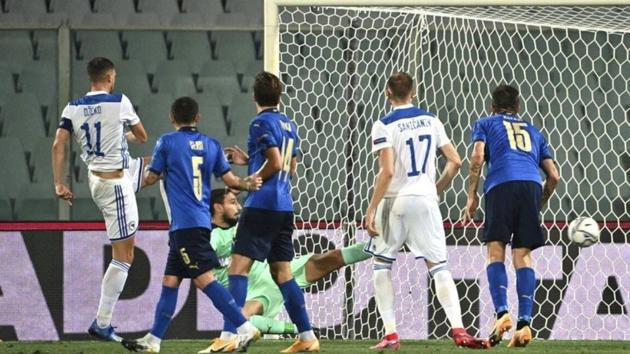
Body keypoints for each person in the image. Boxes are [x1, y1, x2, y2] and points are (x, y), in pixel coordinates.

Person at [122, 97, 262, 353]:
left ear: (171, 118)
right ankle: (153, 340)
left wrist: (127, 181)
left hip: (185, 224)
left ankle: (243, 327)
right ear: (197, 118)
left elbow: (152, 177)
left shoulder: (166, 142)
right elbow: (230, 179)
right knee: (170, 280)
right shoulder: (212, 145)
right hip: (195, 223)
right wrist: (248, 183)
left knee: (204, 279)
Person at [364, 72, 489, 350]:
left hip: (394, 200)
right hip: (425, 199)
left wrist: (371, 209)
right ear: (415, 92)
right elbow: (455, 161)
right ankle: (459, 330)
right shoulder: (432, 120)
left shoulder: (383, 124)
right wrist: (435, 189)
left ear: (387, 93)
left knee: (382, 265)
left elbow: (386, 172)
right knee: (439, 267)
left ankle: (391, 334)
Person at [217, 72, 319, 353]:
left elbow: (274, 162)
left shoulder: (259, 122)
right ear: (280, 96)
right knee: (283, 273)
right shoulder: (289, 124)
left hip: (262, 205)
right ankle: (307, 337)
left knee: (237, 268)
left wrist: (250, 180)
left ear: (254, 97)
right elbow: (290, 166)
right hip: (284, 206)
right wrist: (250, 162)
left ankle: (229, 335)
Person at [52, 57, 148, 341]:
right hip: (114, 183)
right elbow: (142, 135)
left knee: (158, 166)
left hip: (102, 175)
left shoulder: (73, 107)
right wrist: (122, 132)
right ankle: (102, 322)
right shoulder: (119, 101)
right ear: (109, 77)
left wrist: (59, 183)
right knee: (125, 255)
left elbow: (59, 143)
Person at [200, 188, 370, 349]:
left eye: (237, 202)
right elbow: (202, 258)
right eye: (232, 203)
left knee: (328, 259)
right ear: (218, 207)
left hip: (273, 272)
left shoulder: (243, 224)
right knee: (241, 320)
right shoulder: (211, 236)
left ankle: (377, 246)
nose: (238, 207)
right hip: (252, 294)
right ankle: (299, 330)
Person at [461, 84, 560, 347]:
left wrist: (471, 195)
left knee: (496, 252)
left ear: (492, 107)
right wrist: (539, 203)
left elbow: (478, 156)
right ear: (518, 107)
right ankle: (525, 323)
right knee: (523, 256)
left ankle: (503, 313)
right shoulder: (534, 131)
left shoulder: (485, 123)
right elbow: (554, 176)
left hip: (500, 185)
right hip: (531, 185)